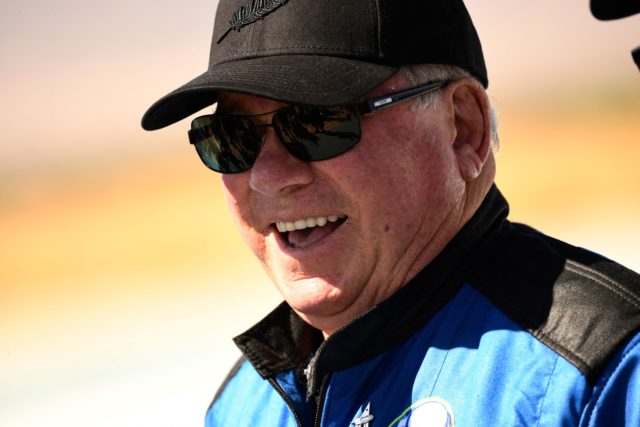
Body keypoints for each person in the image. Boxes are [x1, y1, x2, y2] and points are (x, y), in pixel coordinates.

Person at [142, 0, 640, 425]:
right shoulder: (244, 406)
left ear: (462, 127)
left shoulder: (605, 376)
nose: (268, 176)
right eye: (232, 137)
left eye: (318, 121)